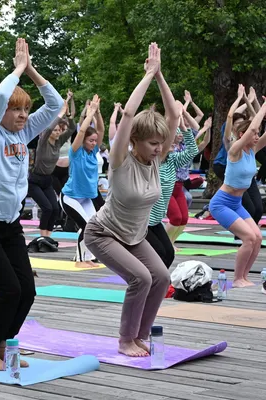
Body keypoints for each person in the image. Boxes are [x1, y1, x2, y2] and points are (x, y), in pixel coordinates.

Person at [0, 38, 63, 370]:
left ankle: (4, 344)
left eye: (25, 110)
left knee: (27, 291)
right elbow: (0, 98)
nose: (22, 115)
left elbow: (55, 103)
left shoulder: (24, 132)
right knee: (9, 289)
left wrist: (31, 69)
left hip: (9, 225)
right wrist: (17, 68)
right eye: (15, 110)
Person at [84, 43, 179, 357]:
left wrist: (160, 75)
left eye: (160, 144)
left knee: (162, 275)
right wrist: (147, 76)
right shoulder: (121, 159)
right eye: (152, 143)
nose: (158, 148)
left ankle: (140, 336)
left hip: (134, 235)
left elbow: (174, 114)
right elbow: (127, 115)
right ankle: (125, 340)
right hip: (103, 233)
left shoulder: (156, 158)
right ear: (136, 141)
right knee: (140, 277)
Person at [210, 99, 266, 288]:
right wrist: (264, 108)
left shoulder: (252, 150)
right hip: (222, 204)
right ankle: (236, 279)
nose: (257, 136)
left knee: (257, 237)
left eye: (258, 134)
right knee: (249, 238)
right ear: (242, 134)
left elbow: (261, 132)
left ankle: (244, 276)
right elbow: (252, 129)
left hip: (237, 203)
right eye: (254, 134)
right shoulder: (235, 150)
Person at [147, 103, 199, 268]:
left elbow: (192, 151)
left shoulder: (172, 161)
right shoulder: (154, 161)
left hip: (156, 221)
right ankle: (150, 287)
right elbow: (168, 124)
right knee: (160, 255)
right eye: (170, 139)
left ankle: (157, 286)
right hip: (142, 222)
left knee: (168, 254)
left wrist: (184, 127)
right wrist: (174, 116)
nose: (175, 143)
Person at [60, 94, 104, 268]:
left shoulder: (93, 152)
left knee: (93, 227)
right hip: (70, 197)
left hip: (85, 197)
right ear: (83, 140)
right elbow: (81, 131)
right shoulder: (76, 153)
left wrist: (98, 113)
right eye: (90, 140)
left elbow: (100, 130)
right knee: (86, 226)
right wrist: (89, 114)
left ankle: (89, 258)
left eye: (95, 141)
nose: (94, 143)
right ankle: (80, 260)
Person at [28, 94, 75, 237]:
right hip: (34, 180)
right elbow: (48, 128)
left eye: (58, 130)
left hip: (47, 180)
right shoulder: (43, 142)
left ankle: (48, 237)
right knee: (47, 208)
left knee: (55, 208)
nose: (57, 131)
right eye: (55, 130)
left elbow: (72, 129)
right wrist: (60, 114)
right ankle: (43, 237)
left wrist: (68, 115)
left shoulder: (59, 142)